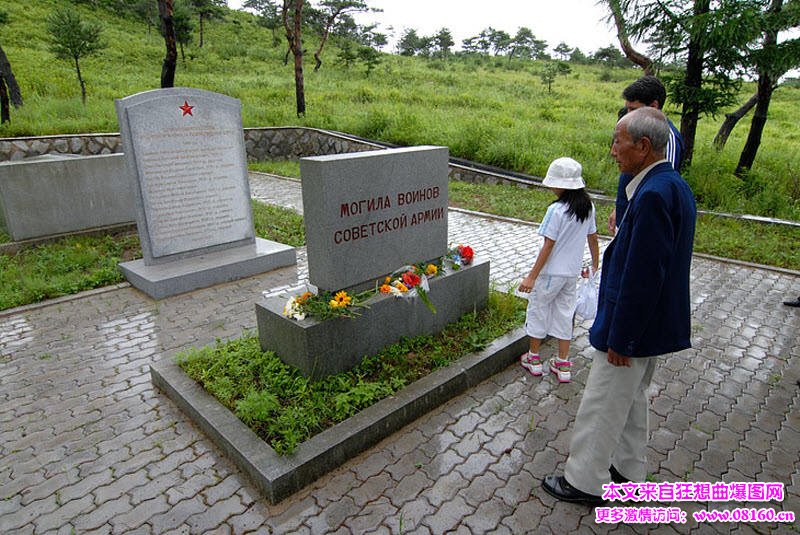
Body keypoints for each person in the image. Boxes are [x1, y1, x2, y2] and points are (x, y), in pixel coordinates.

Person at [542, 107, 696, 506]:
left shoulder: (653, 195)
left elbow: (644, 277)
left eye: (618, 141)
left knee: (603, 402)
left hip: (633, 327)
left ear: (643, 146)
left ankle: (584, 481)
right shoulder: (670, 184)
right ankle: (628, 471)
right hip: (651, 324)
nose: (612, 151)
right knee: (631, 401)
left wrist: (622, 339)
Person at [518, 157, 600, 383]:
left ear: (563, 185)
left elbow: (548, 244)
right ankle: (563, 364)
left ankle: (534, 358)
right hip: (571, 274)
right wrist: (595, 265)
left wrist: (531, 276)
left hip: (549, 274)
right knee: (565, 315)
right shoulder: (588, 208)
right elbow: (593, 239)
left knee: (538, 310)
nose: (551, 187)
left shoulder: (555, 210)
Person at [608, 76, 685, 233]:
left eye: (634, 110)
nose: (628, 115)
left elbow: (662, 184)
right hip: (628, 217)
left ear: (654, 106)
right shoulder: (637, 131)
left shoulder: (666, 138)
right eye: (627, 109)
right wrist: (620, 207)